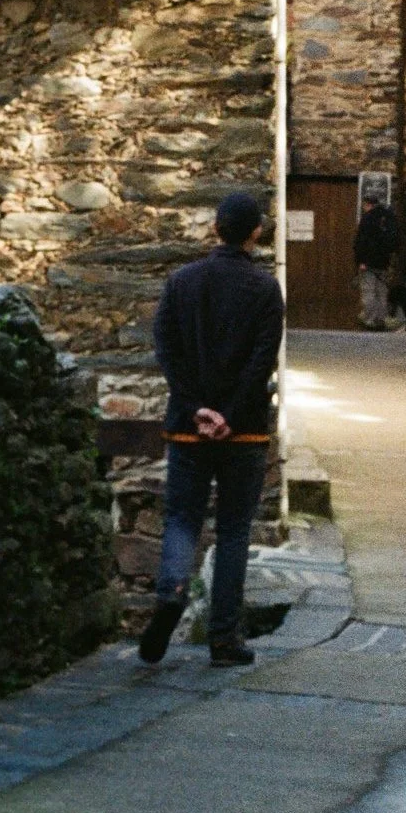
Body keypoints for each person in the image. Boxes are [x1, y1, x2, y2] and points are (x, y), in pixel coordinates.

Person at [140, 188, 284, 669]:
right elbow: (262, 360)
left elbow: (167, 349)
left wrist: (196, 407)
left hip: (188, 428)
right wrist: (227, 412)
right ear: (256, 234)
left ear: (215, 228)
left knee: (182, 518)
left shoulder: (181, 282)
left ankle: (172, 593)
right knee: (234, 531)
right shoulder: (265, 290)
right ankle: (223, 639)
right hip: (242, 432)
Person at [353, 191, 400, 330]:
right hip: (384, 260)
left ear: (367, 204)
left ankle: (370, 319)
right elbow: (396, 238)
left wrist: (360, 260)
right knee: (381, 290)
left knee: (369, 290)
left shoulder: (368, 218)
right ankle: (381, 318)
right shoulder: (388, 216)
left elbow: (361, 241)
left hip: (368, 261)